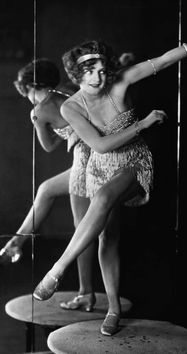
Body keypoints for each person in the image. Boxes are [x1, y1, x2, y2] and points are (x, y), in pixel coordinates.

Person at [33, 27, 187, 336]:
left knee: (98, 202)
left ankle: (57, 270)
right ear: (76, 75)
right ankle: (113, 307)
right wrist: (144, 122)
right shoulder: (70, 107)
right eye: (89, 73)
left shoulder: (119, 81)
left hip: (134, 163)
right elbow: (99, 146)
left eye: (101, 70)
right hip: (100, 166)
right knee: (106, 239)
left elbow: (164, 60)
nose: (98, 78)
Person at [0, 58, 96, 311]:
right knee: (45, 189)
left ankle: (86, 292)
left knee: (81, 232)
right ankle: (17, 241)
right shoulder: (66, 91)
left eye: (26, 92)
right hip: (93, 156)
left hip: (85, 165)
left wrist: (38, 121)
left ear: (31, 86)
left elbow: (49, 146)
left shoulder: (39, 111)